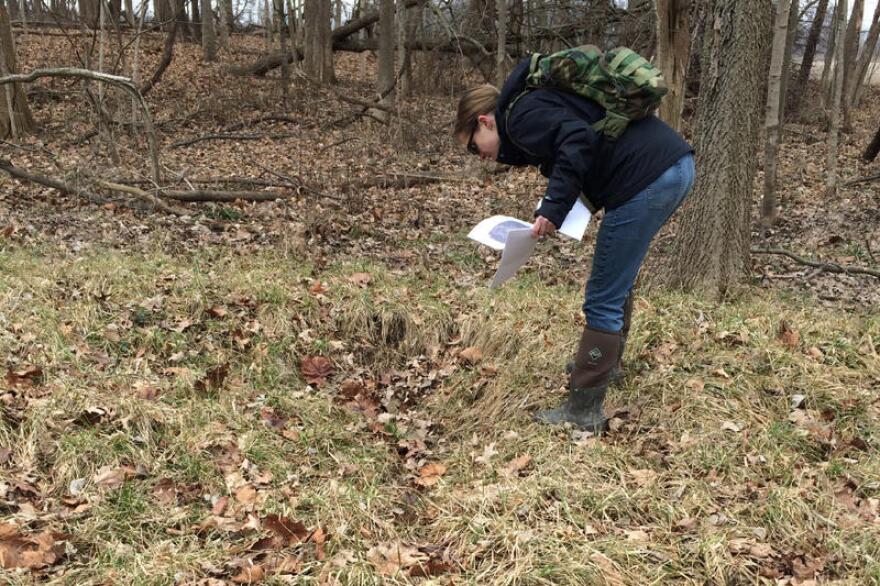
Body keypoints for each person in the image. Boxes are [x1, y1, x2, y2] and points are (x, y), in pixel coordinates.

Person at [454, 57, 696, 433]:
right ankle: (605, 366)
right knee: (618, 277)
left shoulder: (518, 118)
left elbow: (576, 142)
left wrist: (553, 207)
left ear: (484, 122)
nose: (481, 156)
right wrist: (553, 210)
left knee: (602, 295)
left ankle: (584, 409)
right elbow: (586, 148)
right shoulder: (533, 106)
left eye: (474, 147)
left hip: (648, 177)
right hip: (671, 167)